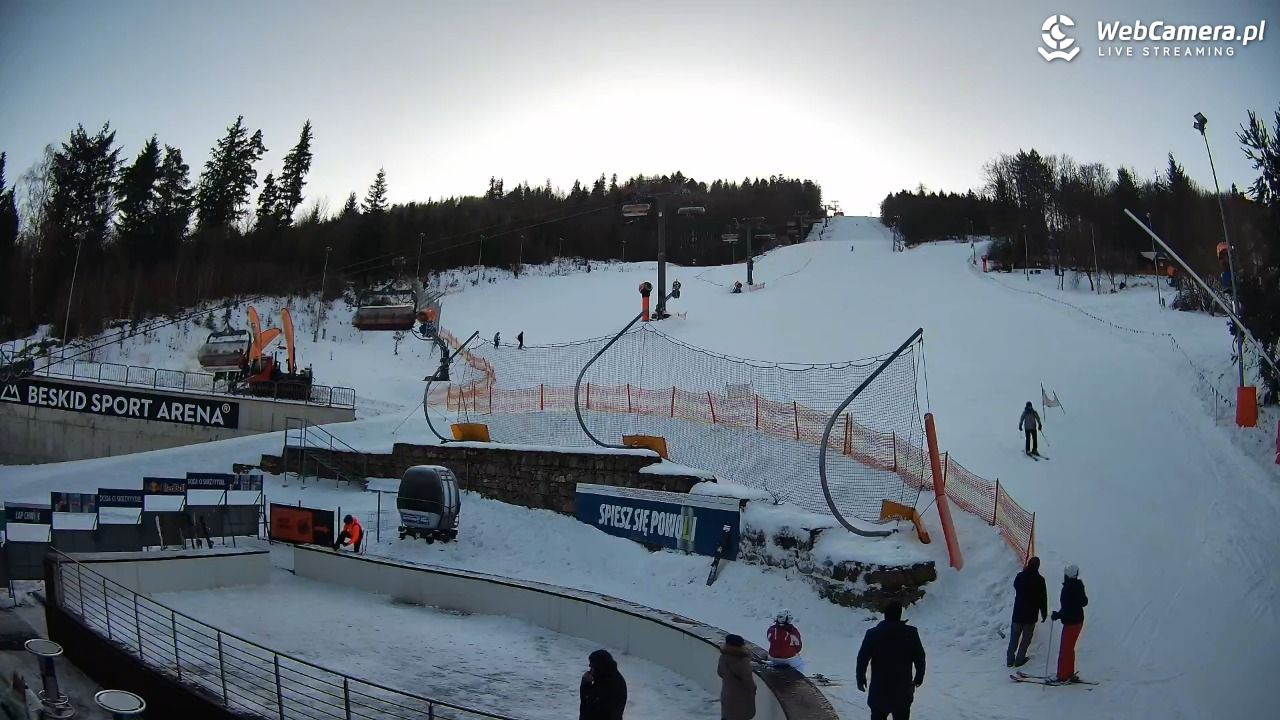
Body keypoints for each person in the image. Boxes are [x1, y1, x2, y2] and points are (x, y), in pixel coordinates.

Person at [856, 603, 925, 720]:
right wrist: (919, 677)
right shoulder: (910, 633)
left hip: (879, 690)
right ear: (900, 615)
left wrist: (860, 677)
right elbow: (920, 657)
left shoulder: (873, 634)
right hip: (902, 690)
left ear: (884, 615)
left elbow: (862, 658)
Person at [1007, 556, 1047, 667]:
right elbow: (1043, 598)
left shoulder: (1020, 576)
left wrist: (1024, 572)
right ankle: (1019, 659)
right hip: (1030, 616)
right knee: (1026, 639)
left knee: (1014, 638)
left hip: (1018, 614)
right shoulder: (1040, 580)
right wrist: (1044, 613)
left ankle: (1010, 659)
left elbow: (1015, 585)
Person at [1051, 564, 1088, 683]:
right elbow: (1084, 602)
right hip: (1079, 621)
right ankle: (1069, 672)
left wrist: (1057, 615)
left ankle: (1062, 675)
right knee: (1069, 648)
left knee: (1065, 649)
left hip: (1071, 622)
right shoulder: (1079, 585)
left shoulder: (1067, 589)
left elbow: (1066, 608)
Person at [579, 649, 626, 720]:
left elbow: (590, 708)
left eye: (592, 667)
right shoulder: (604, 677)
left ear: (599, 667)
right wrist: (586, 684)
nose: (590, 670)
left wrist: (585, 684)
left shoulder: (612, 683)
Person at [718, 634, 756, 720]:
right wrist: (754, 689)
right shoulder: (743, 662)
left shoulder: (723, 657)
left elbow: (720, 673)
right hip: (741, 699)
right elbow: (748, 683)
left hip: (727, 695)